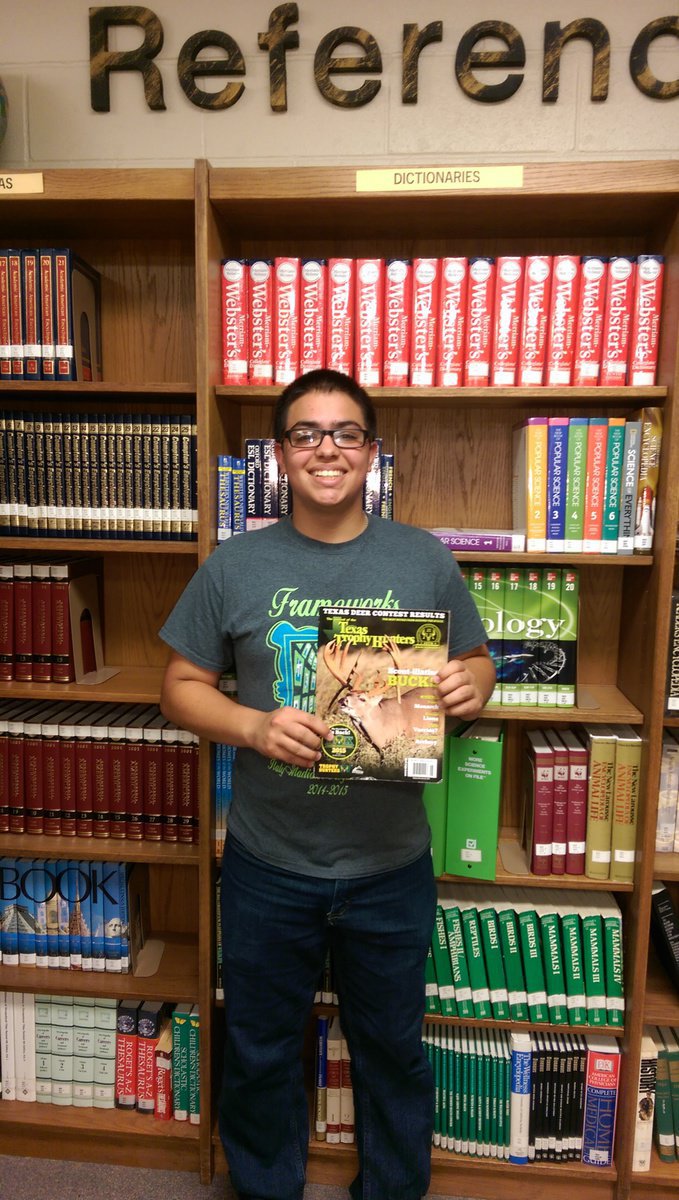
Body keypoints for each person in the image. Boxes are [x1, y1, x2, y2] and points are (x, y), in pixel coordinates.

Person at [158, 369, 495, 1200]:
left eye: (345, 433)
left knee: (392, 1048)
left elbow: (479, 662)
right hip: (271, 865)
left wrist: (471, 687)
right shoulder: (235, 564)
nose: (326, 449)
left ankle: (390, 1189)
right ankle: (266, 1188)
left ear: (372, 453)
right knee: (263, 1045)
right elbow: (179, 686)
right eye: (306, 433)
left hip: (389, 865)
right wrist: (252, 726)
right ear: (280, 455)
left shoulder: (423, 559)